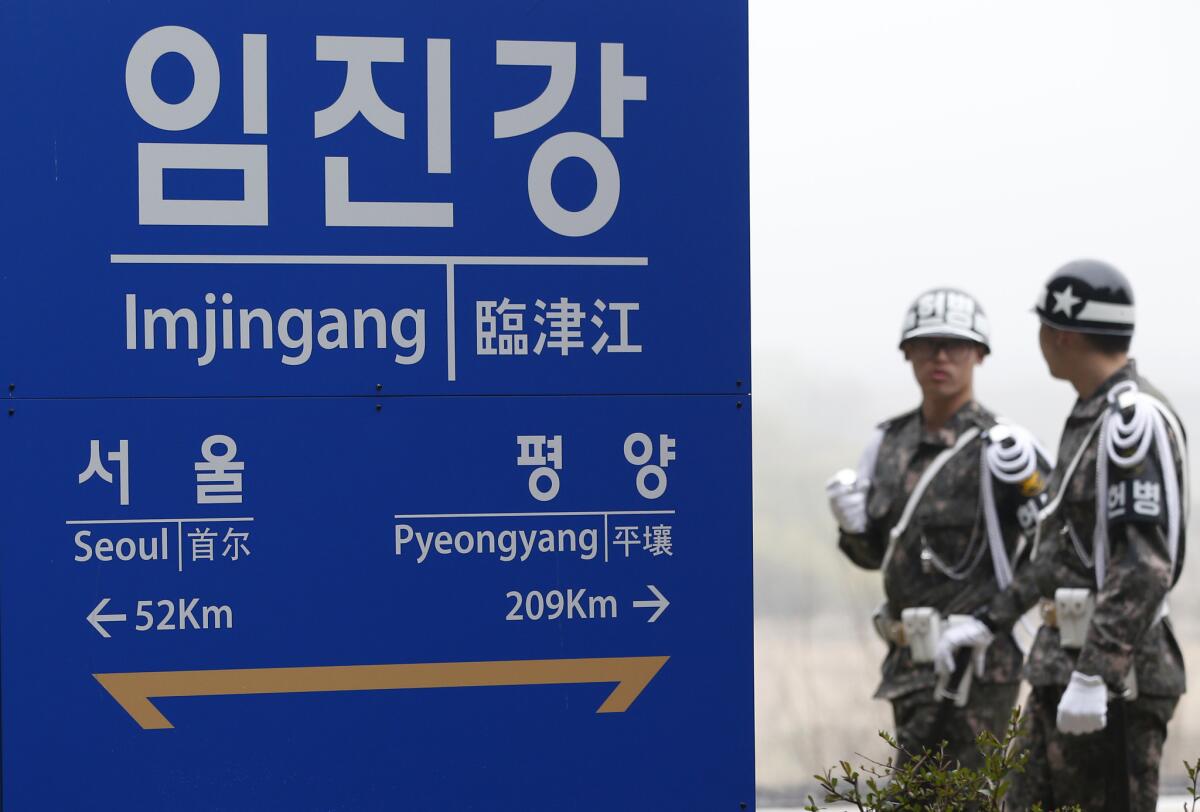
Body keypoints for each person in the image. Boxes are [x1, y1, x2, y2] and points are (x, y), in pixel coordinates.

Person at [943, 260, 1187, 811]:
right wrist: (989, 620)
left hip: (1115, 677)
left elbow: (1145, 564)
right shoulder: (1091, 417)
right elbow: (1060, 555)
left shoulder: (1132, 422)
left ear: (1063, 333)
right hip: (1063, 664)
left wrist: (1098, 672)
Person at [827, 288, 1051, 769]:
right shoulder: (887, 445)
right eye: (928, 344)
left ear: (980, 355)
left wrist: (991, 619)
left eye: (957, 345)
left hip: (979, 666)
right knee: (914, 796)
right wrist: (851, 528)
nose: (941, 357)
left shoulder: (1004, 448)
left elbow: (1053, 547)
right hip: (908, 662)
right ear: (907, 352)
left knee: (970, 798)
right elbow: (876, 556)